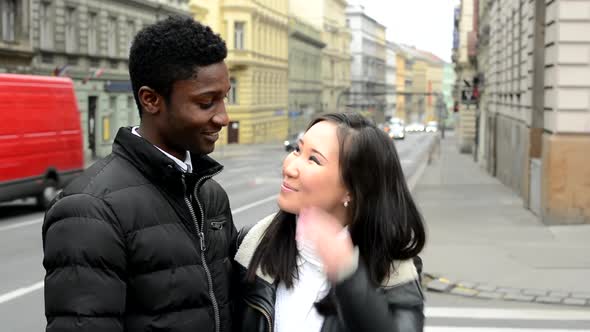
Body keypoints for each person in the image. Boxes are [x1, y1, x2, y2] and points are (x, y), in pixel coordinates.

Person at [42, 16, 237, 332]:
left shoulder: (210, 194)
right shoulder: (89, 210)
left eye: (223, 98)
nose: (223, 117)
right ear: (151, 100)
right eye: (206, 102)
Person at [233, 113, 426, 332]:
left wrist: (349, 277)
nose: (289, 167)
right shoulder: (251, 249)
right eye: (298, 149)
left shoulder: (394, 272)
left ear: (352, 189)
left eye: (313, 159)